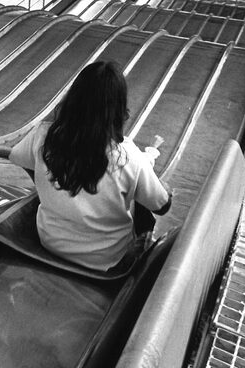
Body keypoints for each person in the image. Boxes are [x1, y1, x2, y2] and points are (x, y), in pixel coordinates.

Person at [9, 61, 171, 272]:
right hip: (106, 260)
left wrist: (50, 186)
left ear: (73, 98)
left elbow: (17, 157)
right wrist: (162, 188)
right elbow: (162, 206)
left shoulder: (44, 135)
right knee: (141, 204)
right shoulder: (128, 155)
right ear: (118, 109)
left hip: (51, 244)